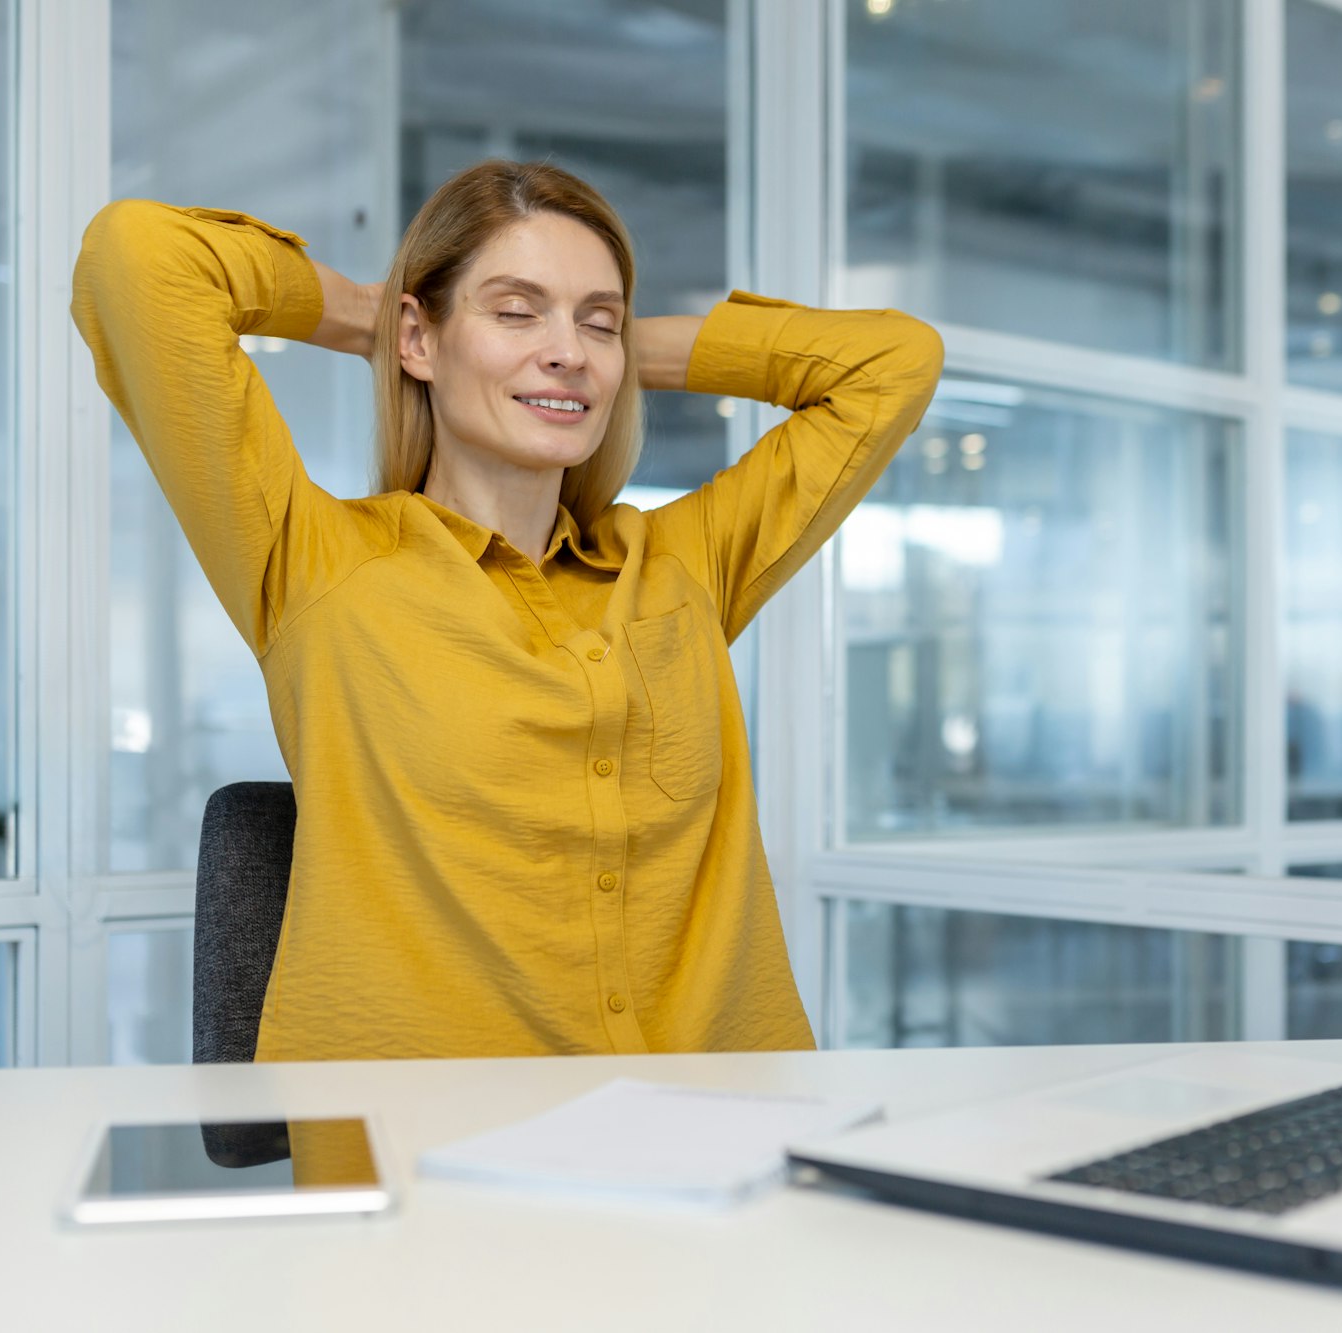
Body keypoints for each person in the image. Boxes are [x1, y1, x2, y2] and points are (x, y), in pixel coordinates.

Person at [71, 160, 943, 1062]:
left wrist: (594, 356)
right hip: (432, 1150)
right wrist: (371, 319)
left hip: (719, 1127)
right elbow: (137, 257)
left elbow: (896, 363)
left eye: (598, 318)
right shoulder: (314, 564)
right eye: (516, 308)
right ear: (419, 338)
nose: (567, 347)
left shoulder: (683, 566)